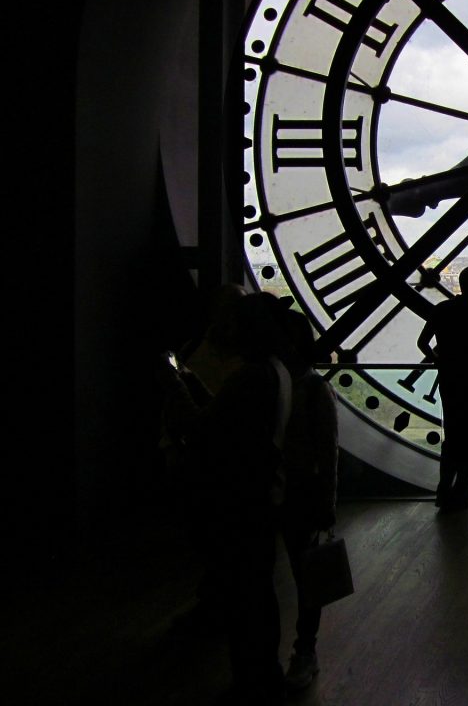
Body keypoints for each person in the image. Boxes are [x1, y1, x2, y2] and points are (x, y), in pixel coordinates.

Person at [159, 291, 293, 705]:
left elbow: (204, 429)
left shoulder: (252, 377)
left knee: (244, 596)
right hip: (257, 497)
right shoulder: (276, 374)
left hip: (237, 499)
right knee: (255, 594)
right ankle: (263, 677)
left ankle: (252, 680)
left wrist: (175, 385)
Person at [279, 308, 340, 691]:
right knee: (307, 579)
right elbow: (327, 453)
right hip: (303, 491)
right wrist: (326, 503)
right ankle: (304, 650)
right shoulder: (315, 390)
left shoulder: (275, 385)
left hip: (280, 489)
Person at [417, 266, 468, 512]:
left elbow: (422, 342)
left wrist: (439, 360)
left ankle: (445, 490)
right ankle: (461, 490)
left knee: (453, 436)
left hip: (449, 378)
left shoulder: (442, 310)